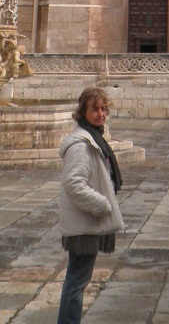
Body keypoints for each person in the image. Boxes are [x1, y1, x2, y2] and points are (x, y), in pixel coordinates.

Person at [57, 87, 124, 324]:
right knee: (76, 283)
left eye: (103, 108)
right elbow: (73, 184)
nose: (100, 113)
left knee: (77, 280)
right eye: (94, 109)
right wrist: (103, 205)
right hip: (84, 222)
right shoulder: (81, 144)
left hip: (85, 220)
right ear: (82, 112)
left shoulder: (93, 138)